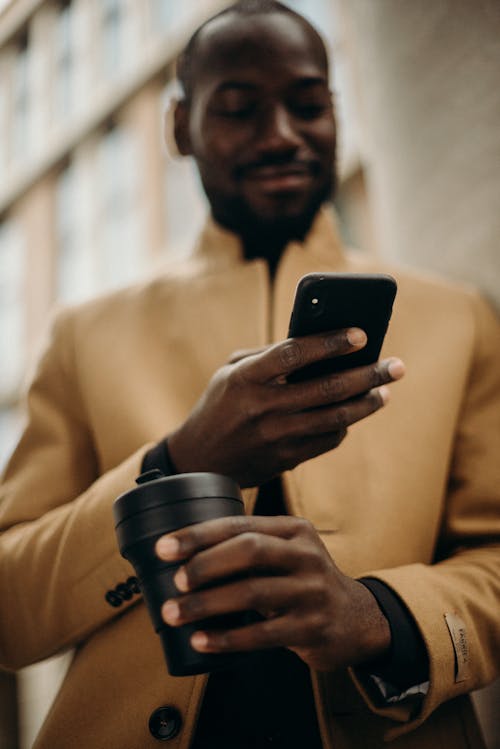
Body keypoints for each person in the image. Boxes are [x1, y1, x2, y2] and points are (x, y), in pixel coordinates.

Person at [1, 1, 499, 747]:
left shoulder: (458, 317)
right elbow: (9, 606)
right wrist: (183, 460)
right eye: (239, 108)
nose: (282, 135)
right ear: (179, 127)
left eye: (309, 105)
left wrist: (377, 615)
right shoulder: (84, 334)